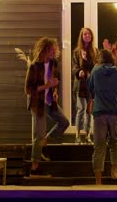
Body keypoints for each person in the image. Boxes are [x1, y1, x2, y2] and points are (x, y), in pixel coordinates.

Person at [25, 37, 70, 178]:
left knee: (64, 122)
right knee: (38, 135)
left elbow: (55, 81)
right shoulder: (34, 66)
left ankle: (44, 143)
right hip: (38, 104)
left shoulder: (54, 63)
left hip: (50, 101)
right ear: (44, 50)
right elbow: (28, 89)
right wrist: (47, 86)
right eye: (51, 50)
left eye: (54, 50)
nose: (53, 52)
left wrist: (54, 91)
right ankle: (34, 169)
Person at [88, 49, 117, 185]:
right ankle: (114, 171)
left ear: (100, 59)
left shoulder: (95, 71)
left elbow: (90, 88)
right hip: (114, 111)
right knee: (115, 142)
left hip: (99, 111)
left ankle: (98, 181)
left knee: (99, 146)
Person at [72, 27, 98, 144]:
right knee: (81, 109)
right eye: (85, 34)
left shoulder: (95, 51)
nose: (87, 36)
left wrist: (86, 59)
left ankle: (88, 136)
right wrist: (79, 72)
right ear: (81, 37)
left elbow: (95, 67)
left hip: (91, 85)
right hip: (80, 85)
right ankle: (77, 136)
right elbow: (74, 68)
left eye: (89, 34)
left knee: (89, 111)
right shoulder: (77, 51)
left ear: (91, 37)